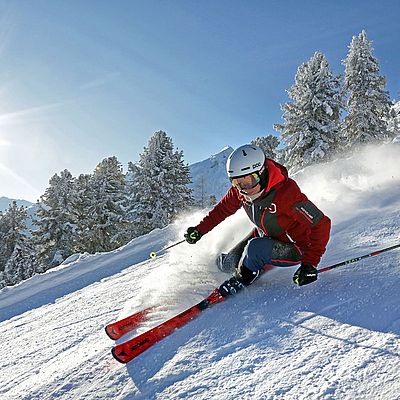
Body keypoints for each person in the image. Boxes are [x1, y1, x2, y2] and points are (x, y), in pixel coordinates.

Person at [184, 144, 331, 297]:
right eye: (237, 183)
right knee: (229, 263)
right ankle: (242, 263)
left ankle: (243, 278)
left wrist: (310, 263)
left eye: (249, 181)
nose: (244, 189)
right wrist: (199, 230)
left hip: (296, 247)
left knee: (255, 249)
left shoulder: (286, 194)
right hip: (266, 234)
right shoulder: (240, 192)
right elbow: (221, 211)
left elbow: (322, 223)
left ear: (261, 173)